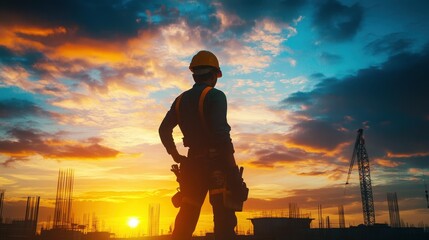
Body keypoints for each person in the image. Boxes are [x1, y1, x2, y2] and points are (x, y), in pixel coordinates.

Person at [159, 50, 237, 240]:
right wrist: (233, 172)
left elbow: (163, 129)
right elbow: (221, 136)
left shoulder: (180, 100)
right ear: (213, 75)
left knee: (186, 220)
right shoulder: (216, 96)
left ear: (194, 74)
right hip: (216, 164)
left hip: (193, 166)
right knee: (224, 220)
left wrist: (176, 155)